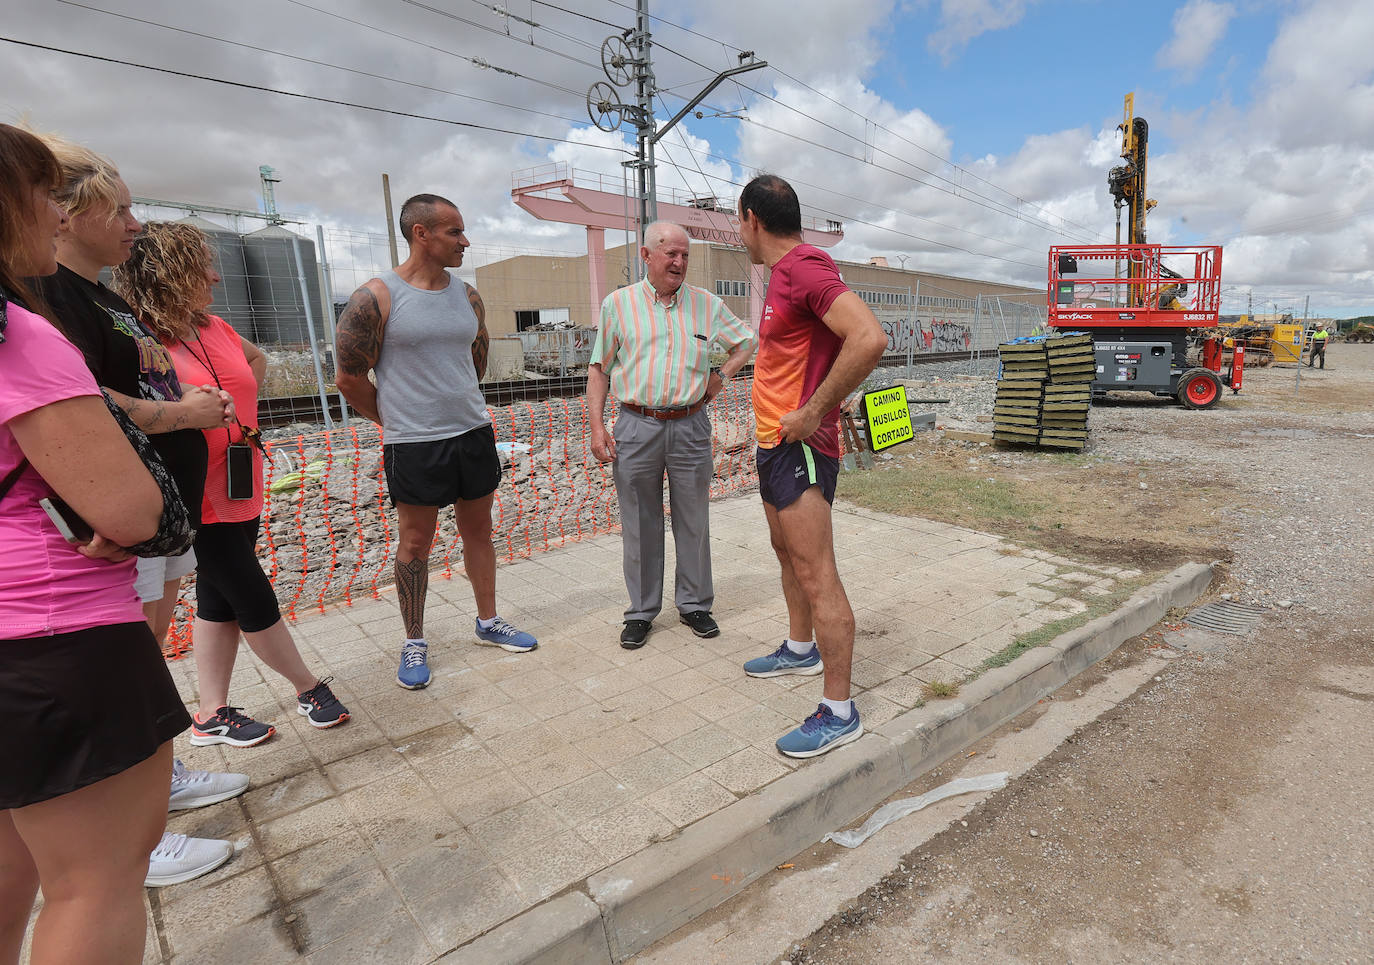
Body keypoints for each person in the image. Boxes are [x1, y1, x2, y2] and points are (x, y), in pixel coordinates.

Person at [29, 134, 248, 888]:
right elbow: (86, 404)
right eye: (117, 208)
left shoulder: (97, 292)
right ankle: (133, 836)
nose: (134, 223)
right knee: (124, 671)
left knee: (148, 653)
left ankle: (160, 781)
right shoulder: (49, 296)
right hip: (115, 529)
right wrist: (187, 415)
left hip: (161, 514)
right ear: (69, 210)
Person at [0, 122, 183, 963]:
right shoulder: (22, 336)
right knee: (95, 881)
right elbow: (128, 512)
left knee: (14, 865)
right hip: (55, 638)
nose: (52, 207)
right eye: (39, 191)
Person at [114, 222, 349, 745]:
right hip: (192, 492)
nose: (216, 277)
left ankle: (210, 713)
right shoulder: (137, 337)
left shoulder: (213, 327)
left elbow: (255, 361)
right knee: (250, 593)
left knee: (217, 600)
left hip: (240, 480)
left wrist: (242, 418)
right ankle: (308, 687)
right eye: (202, 269)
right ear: (169, 275)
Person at [335, 193, 537, 690]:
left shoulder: (466, 295)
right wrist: (396, 419)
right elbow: (348, 377)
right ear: (420, 233)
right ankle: (414, 641)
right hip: (415, 443)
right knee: (415, 542)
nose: (465, 241)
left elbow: (477, 359)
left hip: (472, 433)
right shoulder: (375, 298)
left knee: (479, 532)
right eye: (454, 232)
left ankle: (488, 622)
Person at [735, 174, 887, 759]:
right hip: (777, 445)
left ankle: (839, 710)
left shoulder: (802, 267)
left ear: (751, 218)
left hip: (799, 445)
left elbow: (868, 338)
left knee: (817, 570)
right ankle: (800, 648)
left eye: (737, 222)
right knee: (786, 552)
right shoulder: (785, 274)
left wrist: (812, 410)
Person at [587, 221, 755, 648]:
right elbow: (598, 369)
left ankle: (696, 604)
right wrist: (596, 426)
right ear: (646, 256)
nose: (679, 262)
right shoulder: (617, 305)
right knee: (639, 522)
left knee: (693, 519)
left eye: (684, 255)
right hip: (635, 425)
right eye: (670, 254)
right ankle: (641, 612)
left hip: (690, 425)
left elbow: (746, 342)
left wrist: (722, 375)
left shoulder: (707, 305)